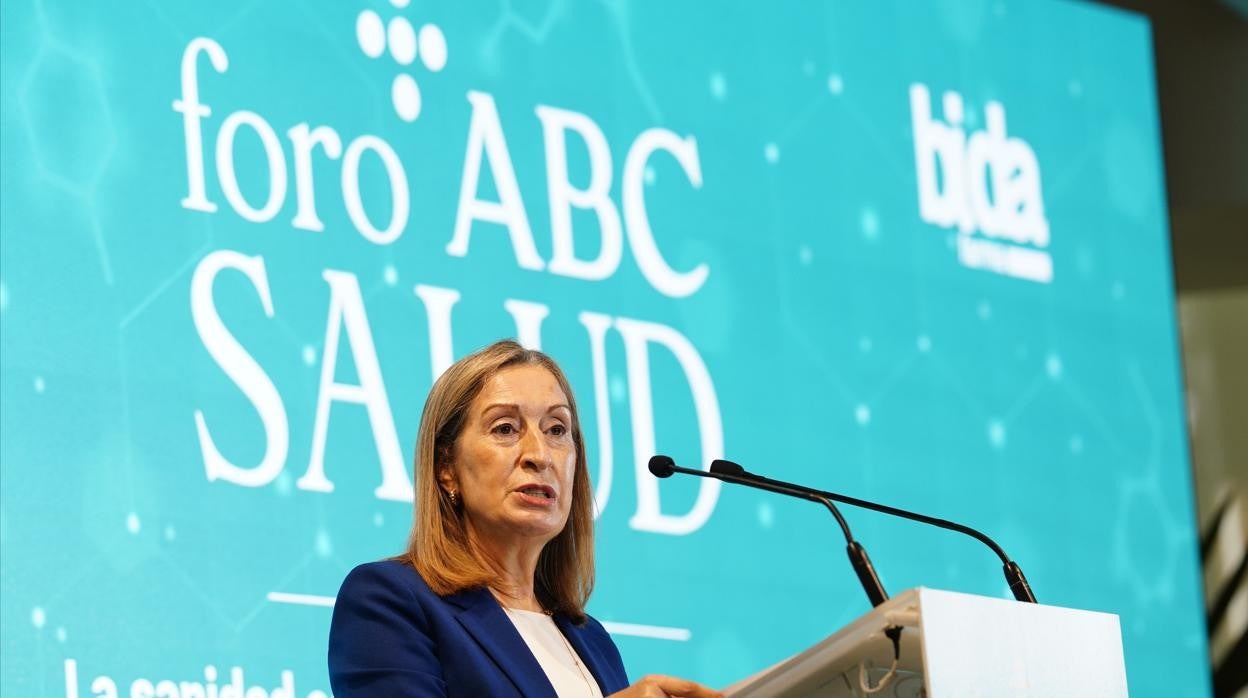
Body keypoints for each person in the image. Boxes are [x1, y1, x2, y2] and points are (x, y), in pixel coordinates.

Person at [329, 340, 722, 697]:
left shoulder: (593, 642)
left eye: (556, 429)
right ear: (446, 467)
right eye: (505, 428)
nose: (540, 454)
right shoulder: (390, 601)